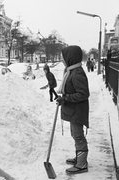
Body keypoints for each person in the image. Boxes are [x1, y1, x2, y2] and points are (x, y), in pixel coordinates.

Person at [56, 45, 90, 174]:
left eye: (63, 57)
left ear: (70, 57)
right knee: (75, 135)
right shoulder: (71, 71)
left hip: (77, 110)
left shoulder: (77, 73)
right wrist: (64, 98)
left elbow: (83, 94)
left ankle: (82, 164)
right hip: (73, 109)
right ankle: (79, 157)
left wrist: (66, 98)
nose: (62, 59)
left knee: (78, 136)